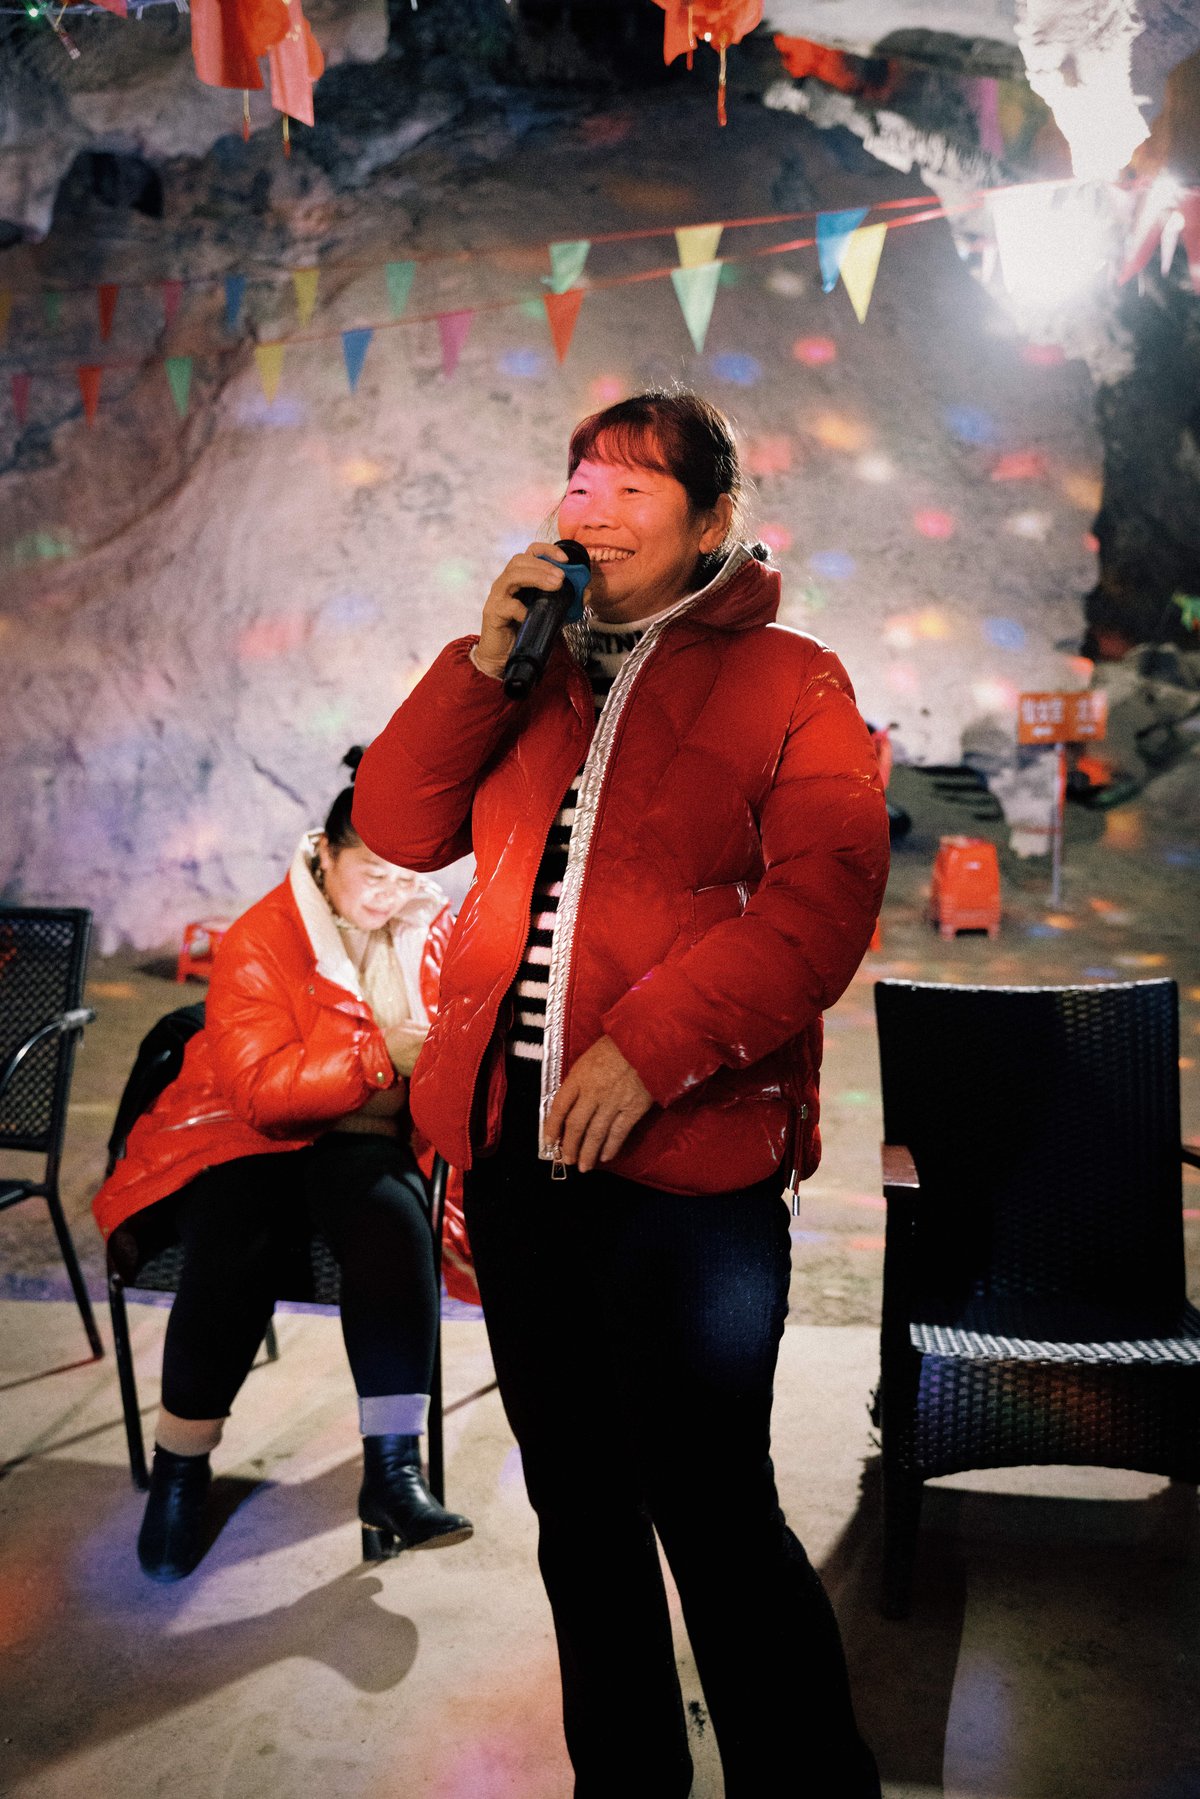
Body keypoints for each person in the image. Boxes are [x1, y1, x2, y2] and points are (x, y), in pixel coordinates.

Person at [353, 391, 889, 1797]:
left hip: (692, 1168)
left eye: (634, 487)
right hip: (521, 1163)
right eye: (580, 479)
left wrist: (648, 1044)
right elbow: (402, 824)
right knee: (578, 1512)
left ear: (715, 522)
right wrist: (480, 658)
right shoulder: (523, 673)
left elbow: (822, 906)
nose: (590, 506)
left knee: (712, 1510)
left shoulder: (794, 679)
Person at [93, 754, 474, 1582]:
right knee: (235, 1236)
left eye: (405, 875)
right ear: (325, 856)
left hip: (366, 1134)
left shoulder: (431, 926)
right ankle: (182, 1469)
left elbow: (458, 1051)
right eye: (370, 872)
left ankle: (393, 1472)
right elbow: (263, 1094)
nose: (389, 891)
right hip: (242, 1130)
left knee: (391, 1219)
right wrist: (386, 1057)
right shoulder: (267, 932)